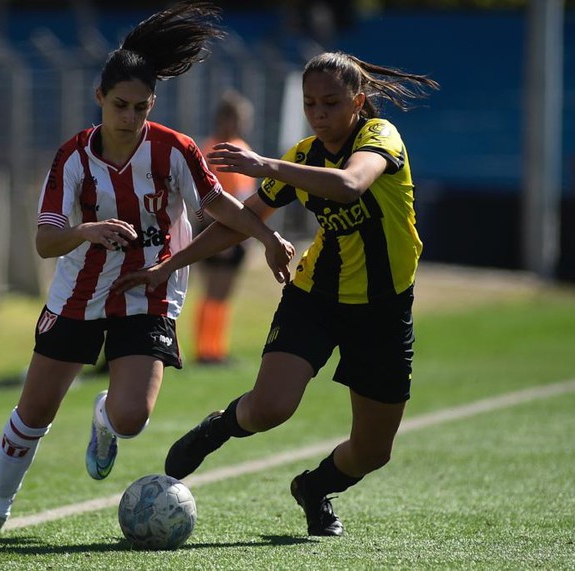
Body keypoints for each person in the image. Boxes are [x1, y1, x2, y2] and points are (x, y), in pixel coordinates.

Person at [0, 2, 295, 538]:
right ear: (99, 98)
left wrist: (268, 235)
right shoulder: (73, 157)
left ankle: (105, 420)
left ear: (152, 105)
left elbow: (219, 206)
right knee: (35, 409)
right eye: (120, 105)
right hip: (79, 292)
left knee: (132, 417)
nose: (129, 117)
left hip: (150, 289)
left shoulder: (175, 150)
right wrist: (86, 232)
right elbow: (45, 241)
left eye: (140, 107)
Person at [113, 51, 439, 537]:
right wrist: (169, 265)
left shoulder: (380, 137)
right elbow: (240, 222)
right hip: (316, 297)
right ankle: (218, 427)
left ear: (358, 102)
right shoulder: (302, 156)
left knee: (373, 452)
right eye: (310, 104)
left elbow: (350, 185)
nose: (320, 114)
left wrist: (264, 162)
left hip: (384, 309)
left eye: (331, 102)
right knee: (271, 408)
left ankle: (314, 488)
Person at [194, 89, 257, 364]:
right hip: (217, 228)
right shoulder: (211, 150)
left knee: (223, 294)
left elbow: (245, 195)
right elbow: (207, 196)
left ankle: (216, 348)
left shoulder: (242, 148)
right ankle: (206, 350)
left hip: (238, 230)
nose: (236, 123)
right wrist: (218, 233)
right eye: (232, 118)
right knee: (213, 291)